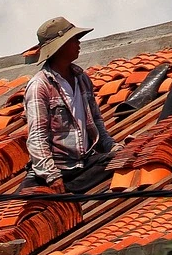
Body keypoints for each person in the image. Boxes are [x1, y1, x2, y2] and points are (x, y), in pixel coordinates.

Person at [20, 16, 116, 193]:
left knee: (117, 163)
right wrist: (52, 175)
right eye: (73, 40)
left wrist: (114, 148)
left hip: (84, 164)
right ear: (60, 47)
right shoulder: (40, 86)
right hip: (57, 168)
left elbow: (97, 123)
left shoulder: (82, 78)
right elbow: (37, 137)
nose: (78, 44)